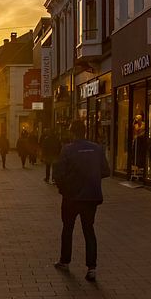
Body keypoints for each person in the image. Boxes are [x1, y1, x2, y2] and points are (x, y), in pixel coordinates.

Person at [53, 120, 110, 282]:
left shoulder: (68, 150)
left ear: (72, 132)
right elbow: (106, 171)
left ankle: (65, 260)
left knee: (68, 228)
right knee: (89, 230)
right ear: (85, 132)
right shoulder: (97, 149)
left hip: (71, 197)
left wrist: (62, 188)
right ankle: (91, 267)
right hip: (91, 197)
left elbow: (58, 173)